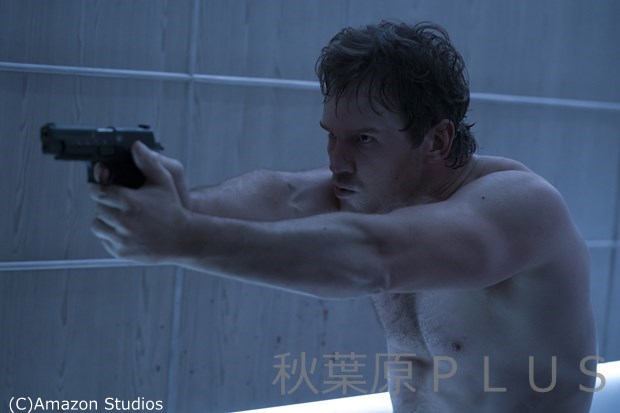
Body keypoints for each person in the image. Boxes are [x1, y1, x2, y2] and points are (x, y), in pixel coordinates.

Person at [90, 21, 597, 413]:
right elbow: (283, 193)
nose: (337, 161)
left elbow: (374, 257)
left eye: (364, 139)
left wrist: (183, 237)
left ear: (437, 140)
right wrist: (174, 201)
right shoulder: (377, 189)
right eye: (332, 136)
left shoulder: (520, 206)